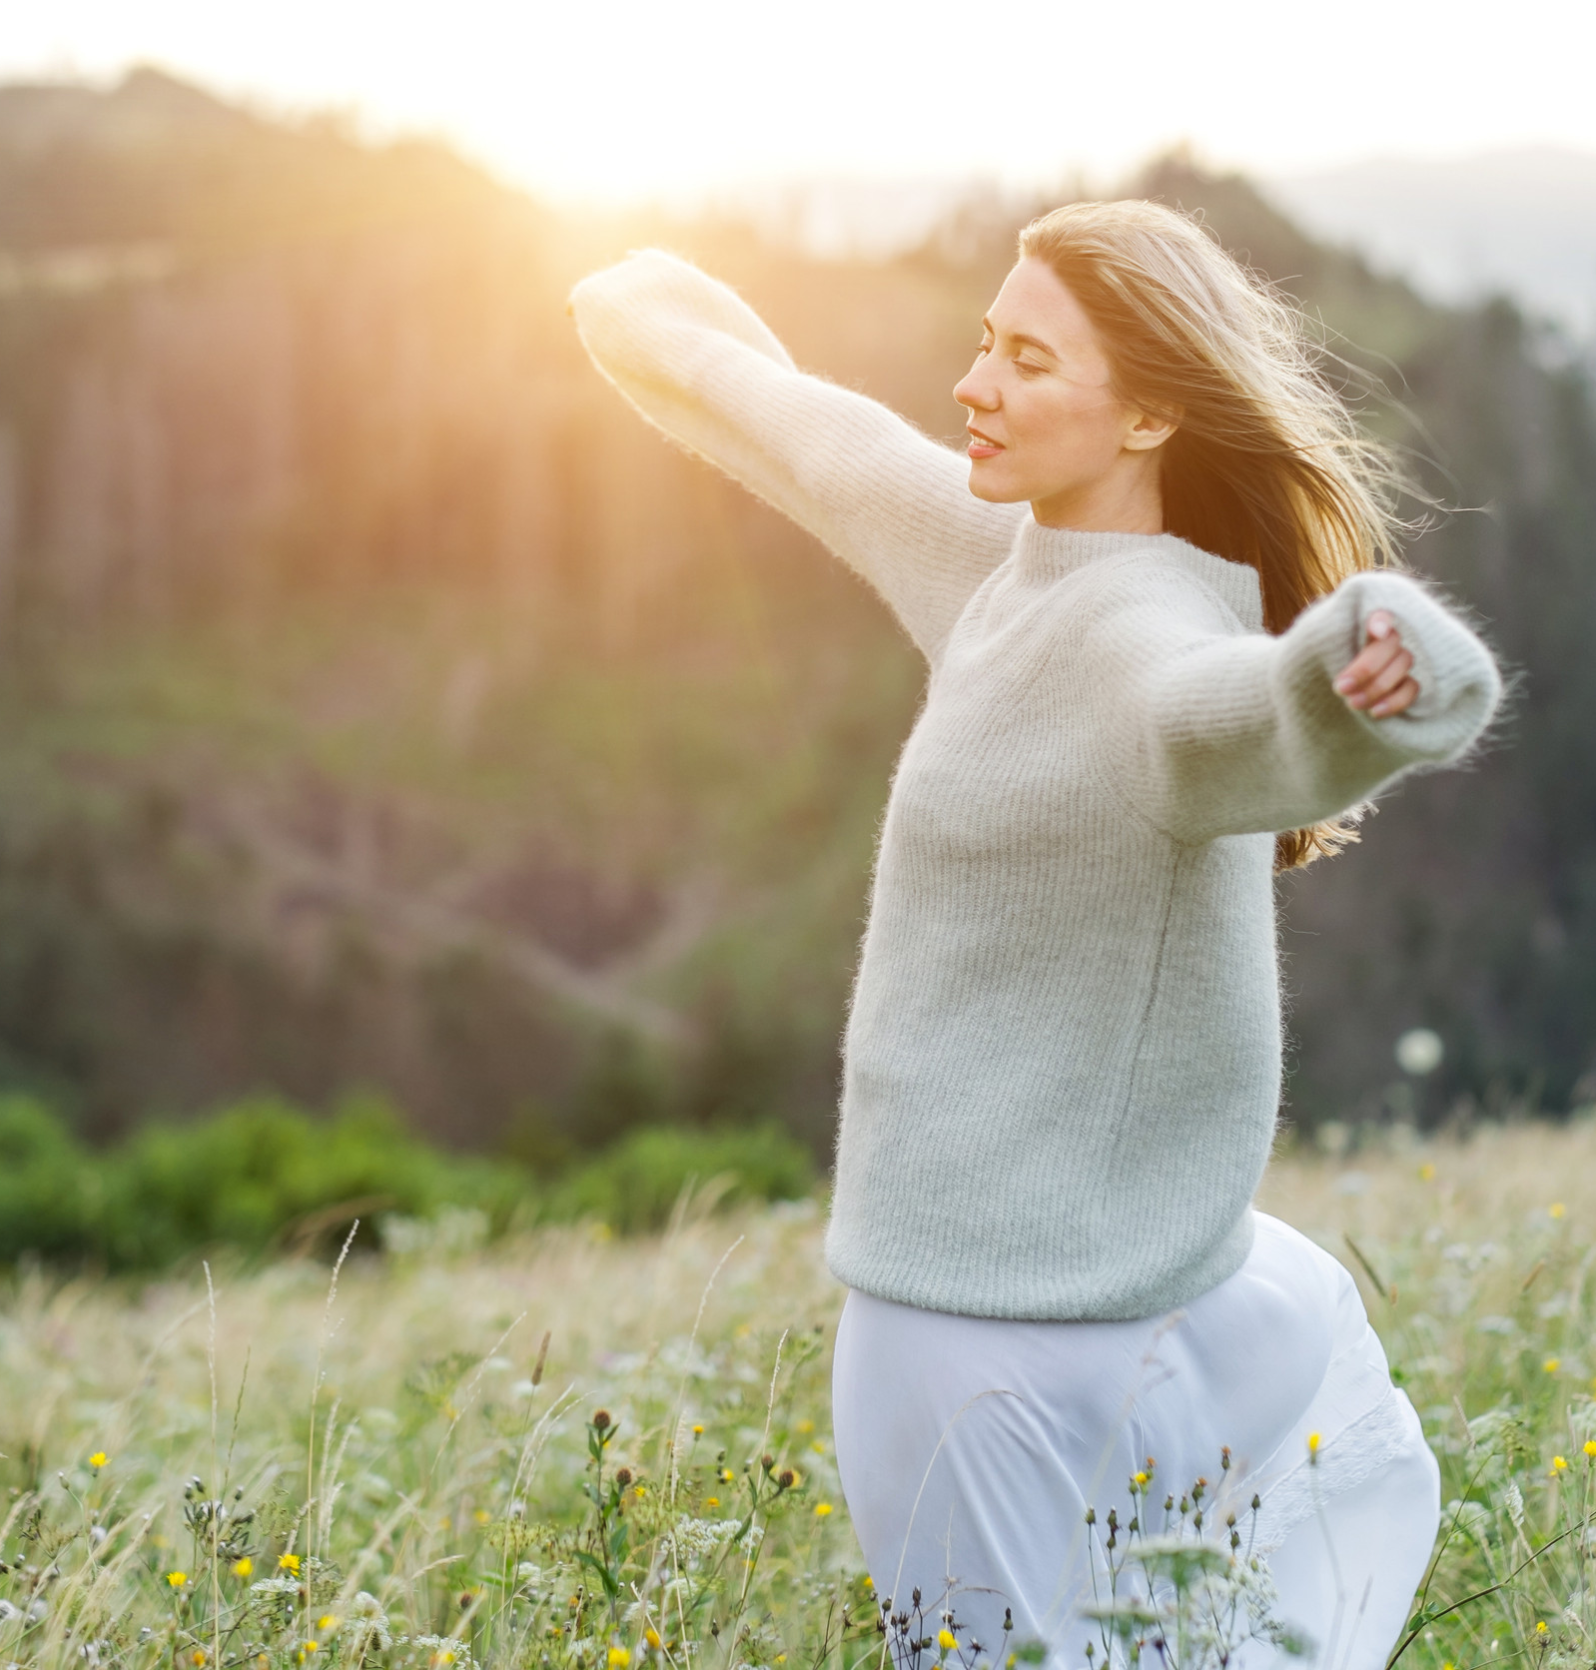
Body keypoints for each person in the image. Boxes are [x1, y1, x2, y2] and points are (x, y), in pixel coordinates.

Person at [569, 199, 1502, 1670]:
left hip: (972, 1346)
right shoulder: (994, 552)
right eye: (983, 341)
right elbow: (819, 437)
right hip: (1113, 1297)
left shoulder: (1150, 654)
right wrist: (643, 312)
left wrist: (1356, 684)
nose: (973, 384)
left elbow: (1255, 724)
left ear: (1145, 414)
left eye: (1025, 359)